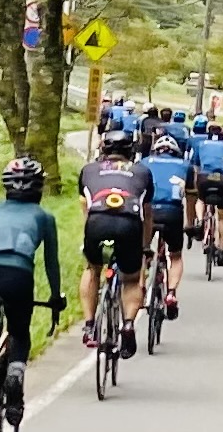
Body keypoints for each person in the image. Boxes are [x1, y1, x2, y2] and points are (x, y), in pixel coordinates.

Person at [0, 158, 64, 427]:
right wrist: (55, 297)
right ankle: (15, 376)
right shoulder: (44, 217)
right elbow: (51, 262)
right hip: (16, 274)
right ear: (39, 188)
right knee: (19, 333)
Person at [78, 130, 154, 359]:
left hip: (96, 222)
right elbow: (147, 214)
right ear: (131, 150)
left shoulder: (88, 170)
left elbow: (86, 206)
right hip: (129, 223)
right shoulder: (142, 172)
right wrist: (145, 246)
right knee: (131, 279)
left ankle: (90, 324)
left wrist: (89, 235)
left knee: (92, 269)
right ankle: (128, 324)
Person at [141, 136, 191, 319]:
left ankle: (139, 289)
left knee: (141, 251)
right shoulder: (185, 165)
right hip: (172, 213)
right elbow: (191, 197)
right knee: (175, 255)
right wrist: (191, 223)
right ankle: (170, 293)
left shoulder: (144, 162)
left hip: (149, 212)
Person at [192, 122, 223, 267]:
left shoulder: (201, 145)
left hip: (205, 178)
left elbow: (197, 168)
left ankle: (199, 220)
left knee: (200, 199)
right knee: (222, 216)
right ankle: (221, 249)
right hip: (222, 180)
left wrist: (196, 185)